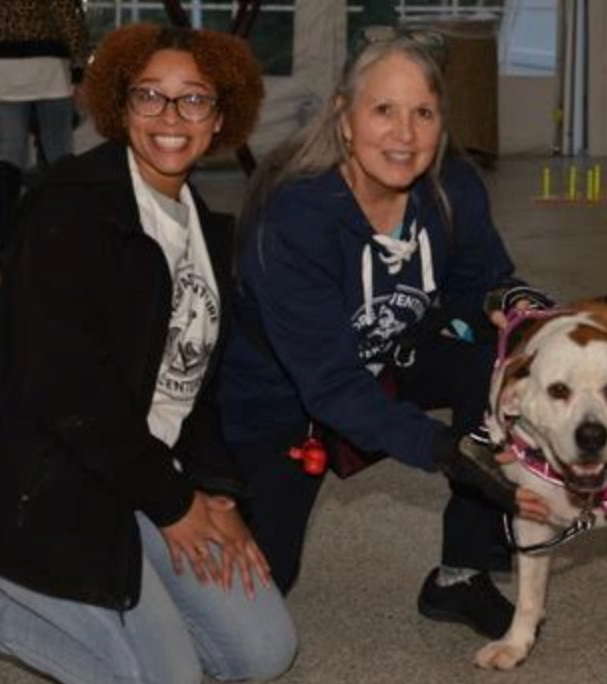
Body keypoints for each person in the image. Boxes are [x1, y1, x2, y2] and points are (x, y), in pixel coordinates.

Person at [0, 23, 296, 684]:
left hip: (137, 471)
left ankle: (133, 575)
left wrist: (214, 493)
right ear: (120, 107)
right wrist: (174, 505)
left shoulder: (207, 230)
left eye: (194, 99)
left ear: (221, 117)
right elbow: (67, 394)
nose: (171, 117)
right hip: (44, 479)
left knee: (263, 651)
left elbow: (198, 389)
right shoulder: (70, 206)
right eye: (150, 96)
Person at [220, 32, 549, 641]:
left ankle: (462, 573)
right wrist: (447, 451)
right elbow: (329, 385)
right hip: (284, 398)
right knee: (258, 600)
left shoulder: (451, 186)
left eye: (423, 113)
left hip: (392, 356)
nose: (405, 134)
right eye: (384, 110)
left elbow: (483, 286)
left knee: (498, 364)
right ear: (344, 118)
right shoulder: (297, 213)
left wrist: (524, 311)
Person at [0, 0, 90, 273]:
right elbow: (66, 15)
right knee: (59, 149)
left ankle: (4, 245)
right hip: (47, 63)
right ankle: (67, 237)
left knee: (8, 148)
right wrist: (79, 66)